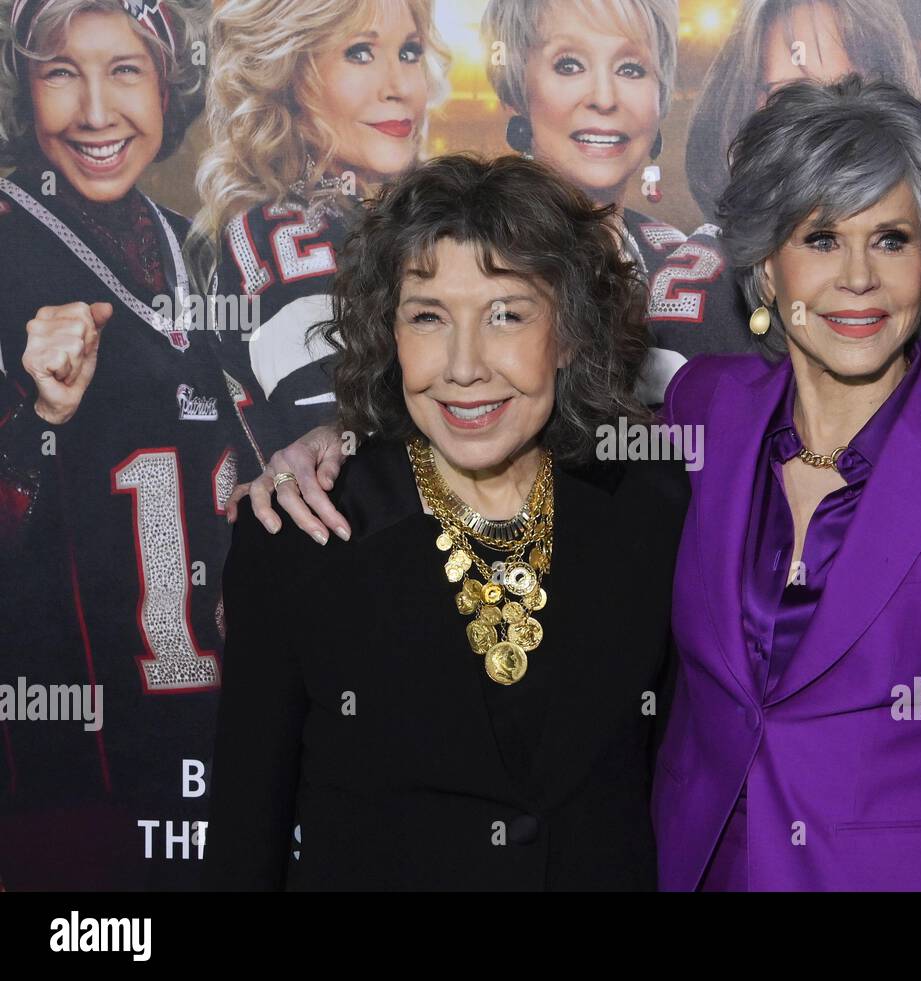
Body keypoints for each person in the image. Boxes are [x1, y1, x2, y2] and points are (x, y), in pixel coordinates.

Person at [202, 153, 689, 890]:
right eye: (428, 316)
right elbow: (244, 846)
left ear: (569, 333)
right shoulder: (301, 530)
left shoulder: (652, 509)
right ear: (388, 332)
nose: (464, 366)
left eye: (506, 314)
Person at [653, 74, 921, 891]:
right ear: (767, 271)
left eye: (891, 238)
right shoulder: (702, 408)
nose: (858, 276)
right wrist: (336, 449)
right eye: (820, 239)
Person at [0, 0, 252, 889]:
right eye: (61, 72)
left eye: (126, 71)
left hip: (212, 761)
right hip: (60, 787)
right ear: (22, 89)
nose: (97, 111)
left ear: (168, 82)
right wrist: (35, 425)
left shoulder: (201, 249)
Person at [186, 0, 451, 460]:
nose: (398, 87)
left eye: (409, 53)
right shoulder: (283, 236)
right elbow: (357, 460)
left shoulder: (400, 216)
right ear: (289, 73)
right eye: (360, 54)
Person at [683, 0, 921, 391]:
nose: (828, 130)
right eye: (793, 94)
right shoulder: (702, 299)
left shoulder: (917, 301)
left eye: (889, 241)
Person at [484, 0, 754, 397]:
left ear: (660, 99)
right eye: (569, 65)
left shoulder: (692, 263)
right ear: (515, 92)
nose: (605, 98)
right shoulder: (464, 252)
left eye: (631, 69)